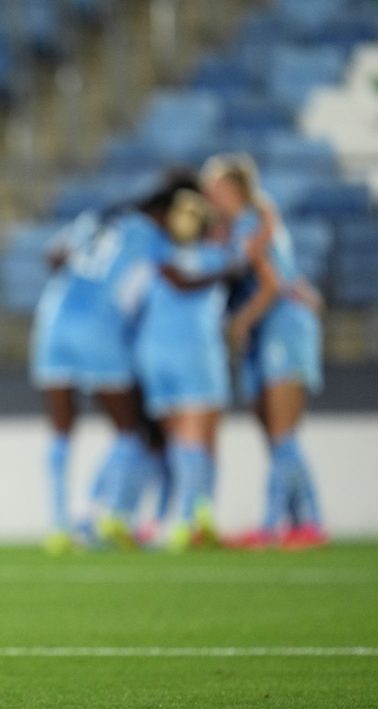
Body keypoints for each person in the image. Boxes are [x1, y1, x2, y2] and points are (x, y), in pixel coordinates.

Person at [29, 176, 198, 553]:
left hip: (53, 321)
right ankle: (103, 514)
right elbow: (176, 279)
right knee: (129, 431)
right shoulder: (154, 236)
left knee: (61, 431)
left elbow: (52, 257)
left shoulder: (99, 217)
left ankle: (59, 525)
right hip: (101, 327)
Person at [201, 154, 327, 550]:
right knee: (276, 435)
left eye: (215, 187)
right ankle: (302, 522)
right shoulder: (252, 222)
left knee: (281, 433)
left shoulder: (251, 225)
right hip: (269, 329)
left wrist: (240, 323)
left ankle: (280, 525)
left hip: (281, 327)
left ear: (234, 189)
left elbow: (273, 285)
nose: (209, 195)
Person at [133, 188, 243, 551]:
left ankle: (188, 517)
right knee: (201, 439)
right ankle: (191, 519)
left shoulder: (156, 256)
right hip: (196, 352)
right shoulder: (217, 258)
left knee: (179, 441)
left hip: (154, 353)